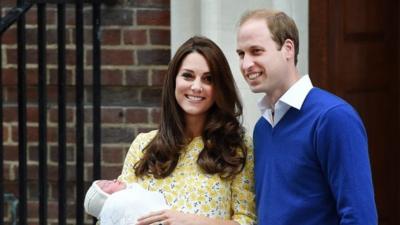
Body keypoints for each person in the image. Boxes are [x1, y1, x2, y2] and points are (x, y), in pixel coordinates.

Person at [235, 9, 378, 225]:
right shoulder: (262, 129)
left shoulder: (333, 118)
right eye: (241, 54)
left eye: (256, 51)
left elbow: (360, 218)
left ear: (288, 49)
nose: (246, 64)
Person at [118, 36, 256, 225]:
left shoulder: (236, 148)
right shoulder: (143, 145)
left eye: (208, 79)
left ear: (219, 88)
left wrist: (191, 221)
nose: (196, 87)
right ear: (174, 80)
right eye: (188, 76)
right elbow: (116, 213)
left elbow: (247, 221)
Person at [84, 179, 168, 225]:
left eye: (109, 180)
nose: (114, 180)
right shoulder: (119, 202)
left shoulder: (134, 191)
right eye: (107, 184)